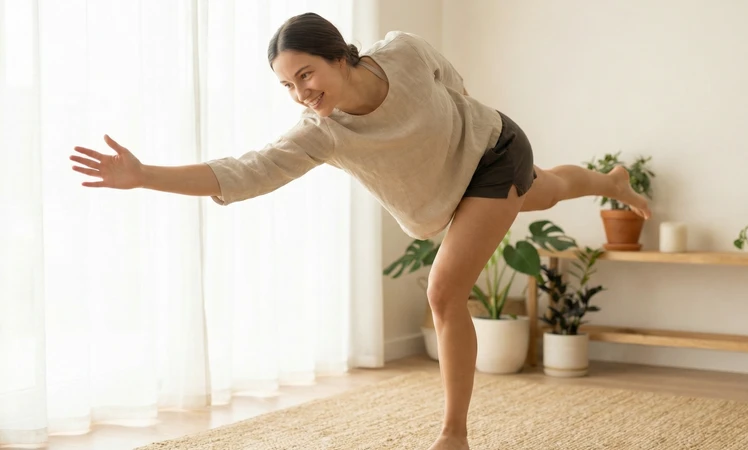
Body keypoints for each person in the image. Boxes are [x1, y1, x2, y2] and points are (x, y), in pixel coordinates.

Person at [69, 12, 650, 450]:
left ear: (339, 57)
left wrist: (458, 128)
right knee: (544, 189)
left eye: (306, 74)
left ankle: (453, 434)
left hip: (493, 148)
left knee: (444, 293)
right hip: (453, 191)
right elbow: (244, 172)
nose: (301, 92)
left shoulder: (401, 51)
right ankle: (610, 181)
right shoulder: (320, 133)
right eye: (288, 85)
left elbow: (450, 78)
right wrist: (144, 175)